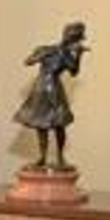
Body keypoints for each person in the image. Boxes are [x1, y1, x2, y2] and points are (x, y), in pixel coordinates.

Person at [12, 20, 87, 169]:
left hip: (55, 88)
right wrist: (40, 55)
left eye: (75, 38)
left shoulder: (67, 55)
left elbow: (74, 71)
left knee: (59, 123)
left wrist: (79, 55)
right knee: (41, 124)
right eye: (72, 37)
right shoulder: (47, 49)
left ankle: (60, 157)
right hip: (41, 88)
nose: (73, 40)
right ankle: (42, 157)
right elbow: (28, 61)